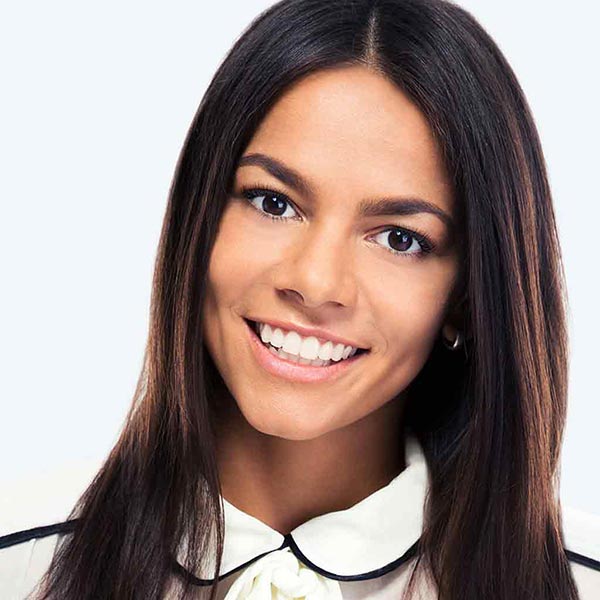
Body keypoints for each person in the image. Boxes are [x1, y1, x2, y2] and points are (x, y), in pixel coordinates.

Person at [1, 0, 599, 598]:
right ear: (198, 216)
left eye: (399, 239)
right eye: (273, 203)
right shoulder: (21, 564)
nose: (314, 282)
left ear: (468, 295)